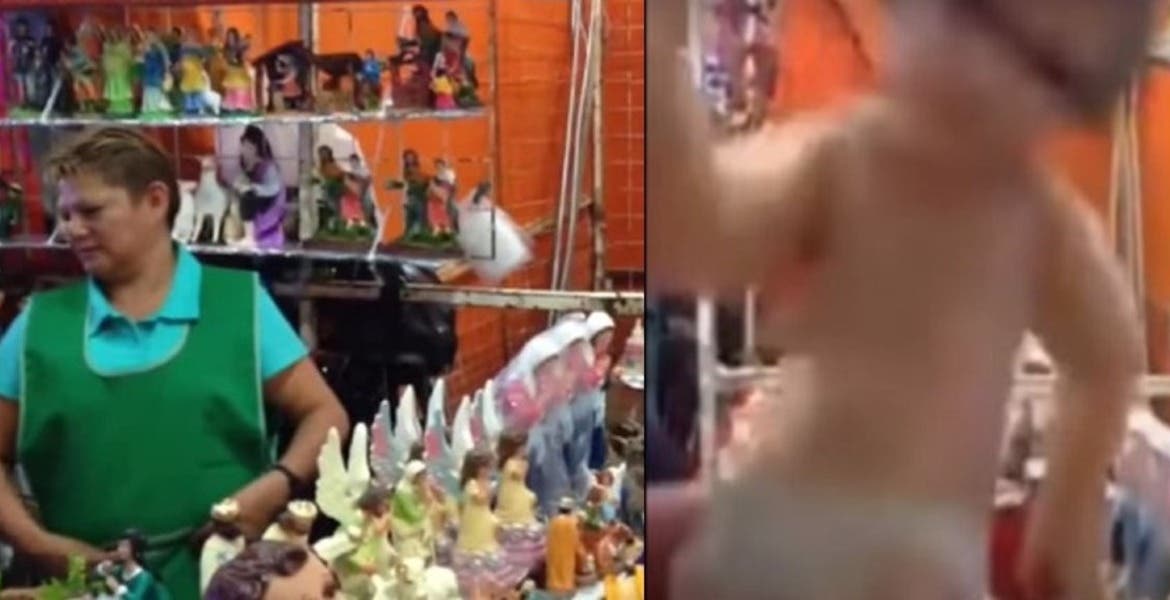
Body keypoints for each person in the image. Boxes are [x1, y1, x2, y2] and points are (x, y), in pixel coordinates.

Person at [649, 0, 1152, 598]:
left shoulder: (1035, 221)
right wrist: (654, 62)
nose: (982, 73)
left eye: (1042, 64)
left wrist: (1068, 514)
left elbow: (1108, 359)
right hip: (796, 507)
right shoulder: (843, 161)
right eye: (971, 17)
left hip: (916, 546)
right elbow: (700, 237)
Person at [0, 127, 349, 600]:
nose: (72, 230)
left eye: (91, 211)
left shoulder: (239, 306)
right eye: (64, 215)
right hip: (82, 590)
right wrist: (39, 545)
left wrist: (276, 486)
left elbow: (325, 414)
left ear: (155, 200)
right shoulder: (38, 327)